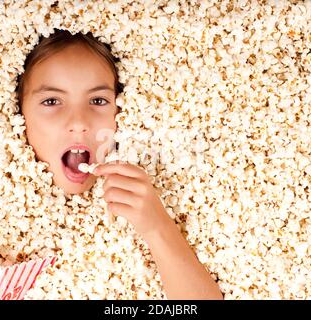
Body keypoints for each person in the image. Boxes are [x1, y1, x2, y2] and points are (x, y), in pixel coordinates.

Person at [17, 29, 223, 300]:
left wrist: (156, 226)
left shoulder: (151, 190)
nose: (79, 122)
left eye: (98, 100)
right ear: (19, 114)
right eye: (52, 101)